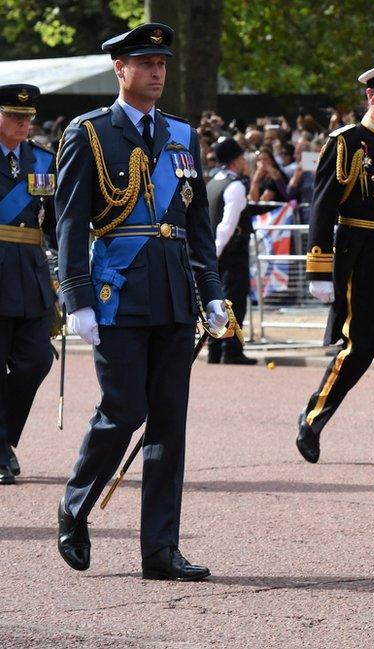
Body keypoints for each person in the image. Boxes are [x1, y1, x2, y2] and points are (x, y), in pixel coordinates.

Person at [56, 23, 228, 580]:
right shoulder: (90, 132)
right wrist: (77, 297)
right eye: (144, 62)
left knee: (169, 426)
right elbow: (70, 222)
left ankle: (159, 550)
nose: (156, 72)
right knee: (124, 409)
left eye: (162, 63)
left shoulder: (182, 135)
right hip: (118, 292)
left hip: (176, 294)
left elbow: (196, 223)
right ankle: (75, 504)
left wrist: (214, 293)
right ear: (120, 69)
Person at [296, 61, 374, 467]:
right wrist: (319, 267)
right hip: (361, 253)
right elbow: (323, 205)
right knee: (359, 348)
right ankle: (313, 418)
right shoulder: (347, 142)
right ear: (371, 95)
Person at [0, 84, 56, 485]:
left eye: (27, 117)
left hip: (33, 274)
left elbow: (54, 223)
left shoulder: (43, 160)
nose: (23, 123)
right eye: (14, 116)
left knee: (37, 359)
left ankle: (2, 438)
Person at [206, 137, 255, 364]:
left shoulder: (213, 182)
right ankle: (231, 350)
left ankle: (215, 349)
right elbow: (227, 225)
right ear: (235, 160)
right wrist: (217, 250)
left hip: (215, 252)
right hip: (231, 252)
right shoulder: (235, 185)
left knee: (216, 301)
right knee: (234, 301)